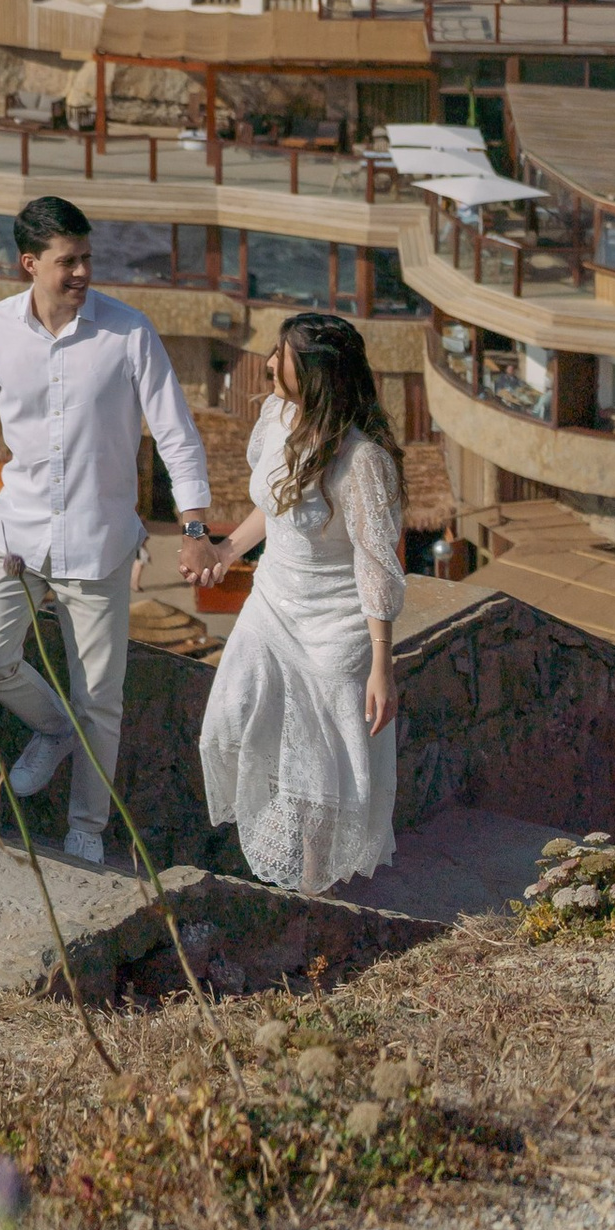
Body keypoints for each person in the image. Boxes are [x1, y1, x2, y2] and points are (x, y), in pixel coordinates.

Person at [0, 195, 214, 868]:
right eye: (68, 261)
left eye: (87, 257)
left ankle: (87, 828)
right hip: (18, 533)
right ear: (30, 264)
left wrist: (195, 526)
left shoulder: (129, 333)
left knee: (101, 702)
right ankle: (53, 729)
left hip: (99, 540)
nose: (83, 271)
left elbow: (177, 435)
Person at [191, 310, 406, 891]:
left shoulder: (363, 461)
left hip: (335, 627)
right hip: (271, 602)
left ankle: (312, 887)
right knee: (227, 720)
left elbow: (376, 564)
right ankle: (274, 852)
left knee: (317, 772)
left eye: (280, 355)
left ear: (312, 372)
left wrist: (381, 664)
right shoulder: (277, 417)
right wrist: (226, 551)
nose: (267, 363)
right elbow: (276, 504)